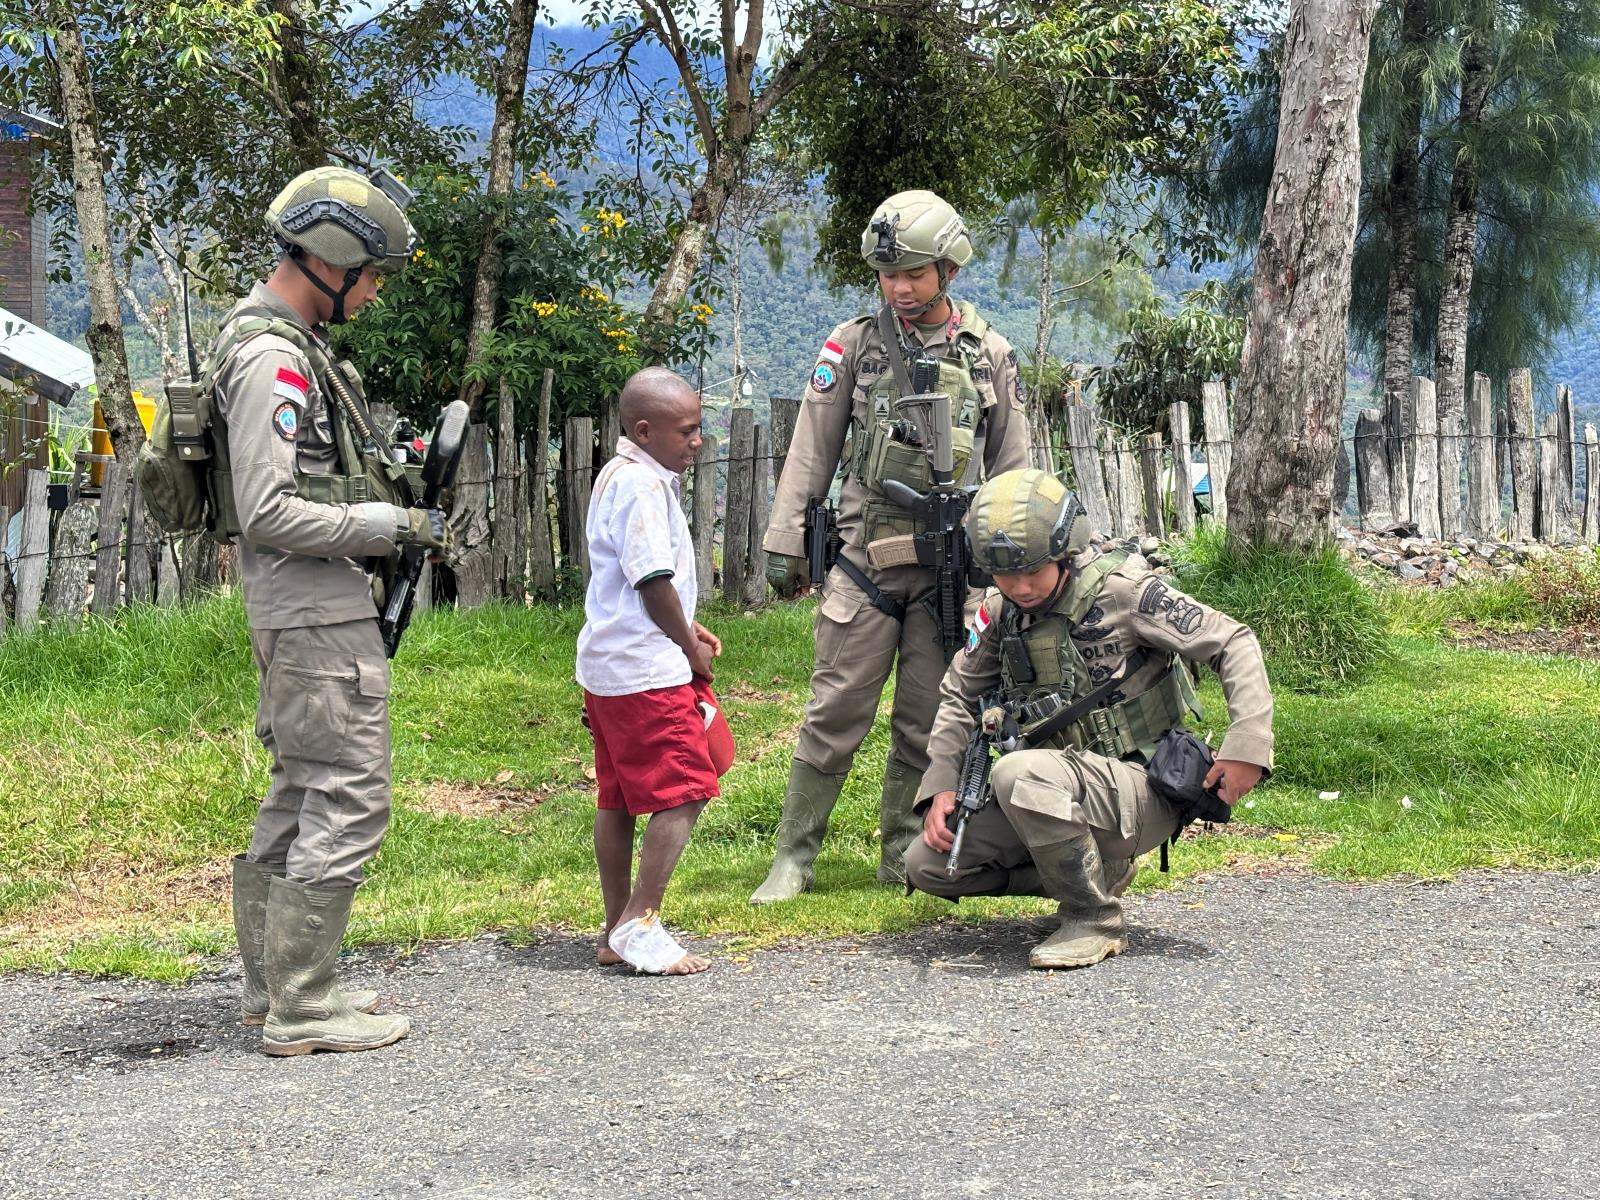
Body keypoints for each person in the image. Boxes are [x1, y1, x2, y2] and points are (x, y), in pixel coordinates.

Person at [220, 166, 448, 1055]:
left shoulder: (288, 343)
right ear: (332, 259)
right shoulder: (273, 359)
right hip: (313, 608)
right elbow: (267, 509)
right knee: (348, 793)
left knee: (301, 787)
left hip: (304, 605)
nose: (376, 291)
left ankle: (273, 988)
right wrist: (385, 524)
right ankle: (305, 1006)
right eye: (373, 274)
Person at [751, 189, 1033, 904]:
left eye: (913, 273)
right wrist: (786, 541)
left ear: (948, 270)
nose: (899, 288)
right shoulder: (854, 346)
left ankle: (903, 852)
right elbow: (811, 449)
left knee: (928, 719)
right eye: (887, 275)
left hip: (950, 573)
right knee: (834, 712)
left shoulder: (990, 355)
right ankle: (793, 856)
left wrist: (1014, 567)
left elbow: (1015, 471)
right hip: (864, 563)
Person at [903, 468, 1275, 969]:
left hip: (1142, 786)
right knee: (927, 865)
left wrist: (1247, 745)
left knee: (1016, 773)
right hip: (1050, 792)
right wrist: (942, 785)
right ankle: (1090, 875)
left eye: (1033, 570)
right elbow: (958, 696)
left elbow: (1232, 641)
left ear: (1064, 552)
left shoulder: (1124, 592)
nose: (1020, 586)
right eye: (1005, 575)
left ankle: (1093, 917)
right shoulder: (1000, 612)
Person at [577, 367, 725, 976]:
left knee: (617, 797)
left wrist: (688, 624)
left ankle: (615, 929)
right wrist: (687, 648)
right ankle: (641, 921)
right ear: (644, 430)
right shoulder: (640, 486)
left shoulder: (619, 473)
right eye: (686, 431)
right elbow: (651, 580)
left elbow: (635, 580)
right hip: (646, 672)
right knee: (689, 786)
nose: (697, 440)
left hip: (609, 666)